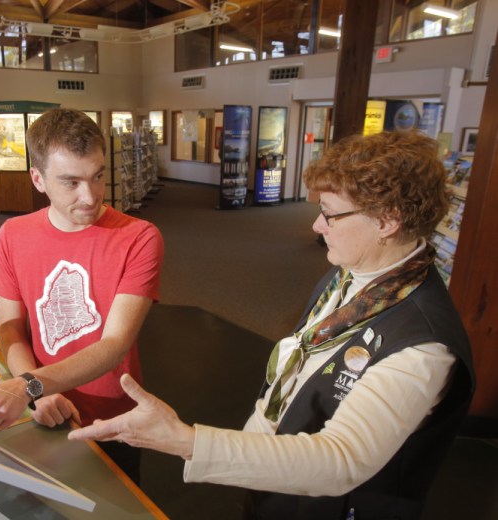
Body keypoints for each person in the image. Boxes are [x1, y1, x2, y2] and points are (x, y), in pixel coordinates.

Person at [69, 130, 475, 519]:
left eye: (329, 215)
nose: (317, 226)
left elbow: (340, 461)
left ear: (387, 221)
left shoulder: (423, 347)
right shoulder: (355, 274)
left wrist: (186, 441)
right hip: (279, 485)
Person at [0, 108, 164, 483]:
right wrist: (35, 393)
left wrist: (28, 386)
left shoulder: (139, 237)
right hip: (41, 407)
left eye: (98, 176)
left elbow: (116, 344)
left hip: (112, 418)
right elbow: (10, 328)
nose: (90, 196)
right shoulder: (12, 234)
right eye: (71, 182)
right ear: (38, 178)